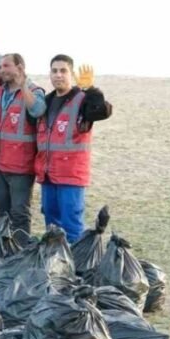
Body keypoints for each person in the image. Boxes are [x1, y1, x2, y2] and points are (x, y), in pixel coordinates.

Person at [37, 55, 112, 243]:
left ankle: (76, 267)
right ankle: (55, 263)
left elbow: (102, 111)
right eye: (54, 71)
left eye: (63, 71)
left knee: (71, 224)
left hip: (70, 175)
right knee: (51, 224)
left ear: (72, 74)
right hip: (48, 174)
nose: (58, 75)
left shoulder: (82, 100)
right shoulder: (46, 102)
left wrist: (92, 90)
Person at [0, 53, 46, 240]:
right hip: (0, 165)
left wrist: (23, 86)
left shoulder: (34, 90)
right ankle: (4, 252)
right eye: (0, 67)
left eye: (6, 66)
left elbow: (38, 110)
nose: (2, 70)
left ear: (20, 67)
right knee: (2, 214)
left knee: (20, 214)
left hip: (21, 167)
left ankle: (20, 252)